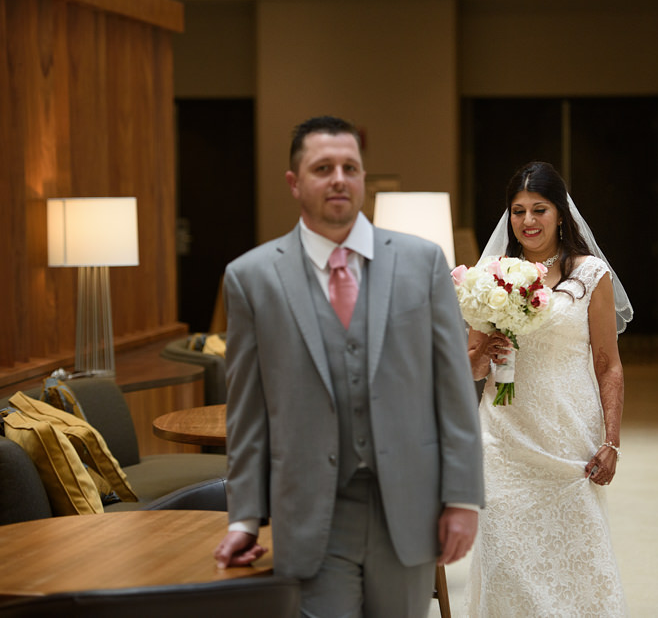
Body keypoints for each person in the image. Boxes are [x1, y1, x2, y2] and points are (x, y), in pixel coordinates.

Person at [212, 115, 484, 617]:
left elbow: (453, 393)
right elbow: (247, 414)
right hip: (310, 512)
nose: (339, 178)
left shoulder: (421, 263)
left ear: (362, 178)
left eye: (350, 167)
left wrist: (463, 499)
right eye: (322, 168)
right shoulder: (251, 278)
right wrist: (244, 518)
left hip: (406, 505)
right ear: (295, 183)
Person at [463, 161, 633, 617]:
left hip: (567, 435)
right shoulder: (492, 277)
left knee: (577, 561)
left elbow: (607, 364)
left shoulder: (590, 274)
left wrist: (611, 441)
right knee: (507, 561)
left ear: (560, 214)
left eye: (539, 209)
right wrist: (486, 352)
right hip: (504, 437)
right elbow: (471, 362)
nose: (528, 221)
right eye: (518, 211)